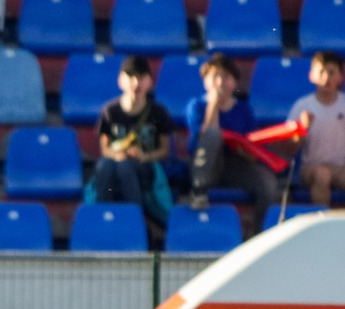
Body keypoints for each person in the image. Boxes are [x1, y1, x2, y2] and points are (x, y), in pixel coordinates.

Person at [187, 51, 286, 219]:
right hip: (205, 167)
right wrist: (214, 104)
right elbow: (203, 138)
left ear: (234, 82)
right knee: (214, 134)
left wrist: (246, 151)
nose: (220, 83)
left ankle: (260, 234)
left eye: (226, 77)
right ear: (205, 81)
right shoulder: (196, 105)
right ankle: (199, 189)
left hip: (236, 165)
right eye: (215, 76)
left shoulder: (243, 109)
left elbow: (254, 142)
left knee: (268, 184)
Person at [82, 54, 173, 231]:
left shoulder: (158, 112)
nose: (136, 83)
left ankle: (134, 225)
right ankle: (103, 221)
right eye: (130, 77)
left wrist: (145, 155)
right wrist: (118, 155)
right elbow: (105, 149)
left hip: (146, 167)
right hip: (115, 165)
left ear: (149, 81)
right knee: (105, 166)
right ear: (120, 81)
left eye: (141, 77)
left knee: (124, 168)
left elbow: (164, 150)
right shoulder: (110, 111)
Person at [291, 49, 345, 209]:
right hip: (311, 168)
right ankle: (323, 227)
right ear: (311, 76)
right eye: (321, 72)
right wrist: (303, 129)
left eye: (331, 72)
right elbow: (291, 148)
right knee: (322, 175)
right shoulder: (302, 106)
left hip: (341, 167)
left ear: (340, 77)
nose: (326, 77)